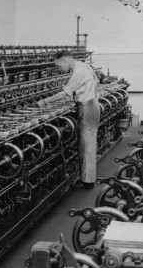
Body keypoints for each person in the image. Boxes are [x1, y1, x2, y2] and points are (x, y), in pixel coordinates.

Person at [37, 49, 99, 189]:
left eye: (59, 66)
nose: (59, 70)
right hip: (90, 104)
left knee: (88, 145)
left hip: (88, 106)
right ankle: (85, 178)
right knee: (86, 144)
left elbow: (65, 92)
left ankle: (88, 182)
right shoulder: (84, 66)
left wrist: (44, 101)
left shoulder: (79, 71)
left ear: (65, 60)